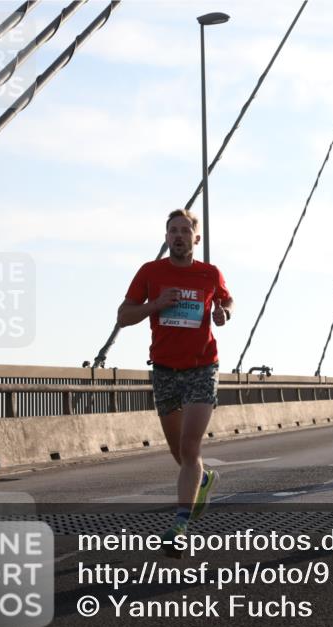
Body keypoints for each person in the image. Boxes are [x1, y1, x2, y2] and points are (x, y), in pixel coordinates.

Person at [117, 208, 233, 557]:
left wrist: (223, 313)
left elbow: (227, 300)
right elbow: (123, 317)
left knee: (190, 446)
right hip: (165, 370)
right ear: (166, 237)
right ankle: (205, 479)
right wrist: (156, 304)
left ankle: (180, 526)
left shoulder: (209, 274)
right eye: (173, 231)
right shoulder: (151, 273)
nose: (179, 236)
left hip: (202, 367)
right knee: (180, 454)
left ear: (196, 238)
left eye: (185, 230)